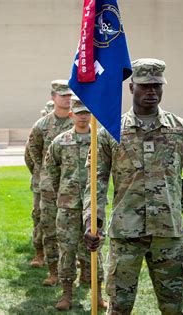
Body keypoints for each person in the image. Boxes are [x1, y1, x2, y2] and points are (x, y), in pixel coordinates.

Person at [83, 58, 183, 314]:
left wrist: (175, 205)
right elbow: (96, 180)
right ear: (131, 88)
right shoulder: (111, 131)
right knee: (119, 306)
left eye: (156, 86)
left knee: (173, 305)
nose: (152, 91)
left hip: (168, 236)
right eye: (145, 86)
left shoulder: (181, 130)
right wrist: (92, 222)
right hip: (126, 233)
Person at [44, 96, 107, 310]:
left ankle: (97, 294)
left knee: (94, 249)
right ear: (71, 114)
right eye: (79, 112)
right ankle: (66, 294)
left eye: (87, 113)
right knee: (67, 250)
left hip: (93, 206)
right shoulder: (60, 141)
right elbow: (51, 169)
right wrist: (62, 192)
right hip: (68, 206)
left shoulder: (100, 140)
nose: (83, 116)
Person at [27, 80, 73, 285]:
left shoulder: (81, 121)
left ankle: (75, 268)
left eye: (69, 95)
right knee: (49, 227)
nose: (67, 98)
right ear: (53, 97)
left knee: (75, 229)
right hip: (49, 188)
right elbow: (34, 152)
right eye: (62, 95)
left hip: (74, 186)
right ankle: (54, 271)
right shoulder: (42, 125)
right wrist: (45, 173)